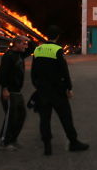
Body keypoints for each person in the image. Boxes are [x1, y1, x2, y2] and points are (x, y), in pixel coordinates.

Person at [31, 26, 89, 156]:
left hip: (42, 91)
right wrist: (68, 88)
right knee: (65, 117)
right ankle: (73, 142)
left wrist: (37, 86)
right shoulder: (57, 50)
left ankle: (47, 146)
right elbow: (64, 71)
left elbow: (34, 72)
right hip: (57, 91)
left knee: (44, 119)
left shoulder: (38, 49)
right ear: (57, 37)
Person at [0, 35, 29, 149]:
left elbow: (33, 48)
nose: (26, 46)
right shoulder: (8, 56)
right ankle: (5, 141)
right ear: (16, 44)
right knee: (11, 116)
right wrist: (5, 89)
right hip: (10, 91)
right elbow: (2, 74)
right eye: (23, 43)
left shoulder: (20, 54)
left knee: (21, 115)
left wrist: (26, 39)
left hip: (17, 91)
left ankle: (13, 138)